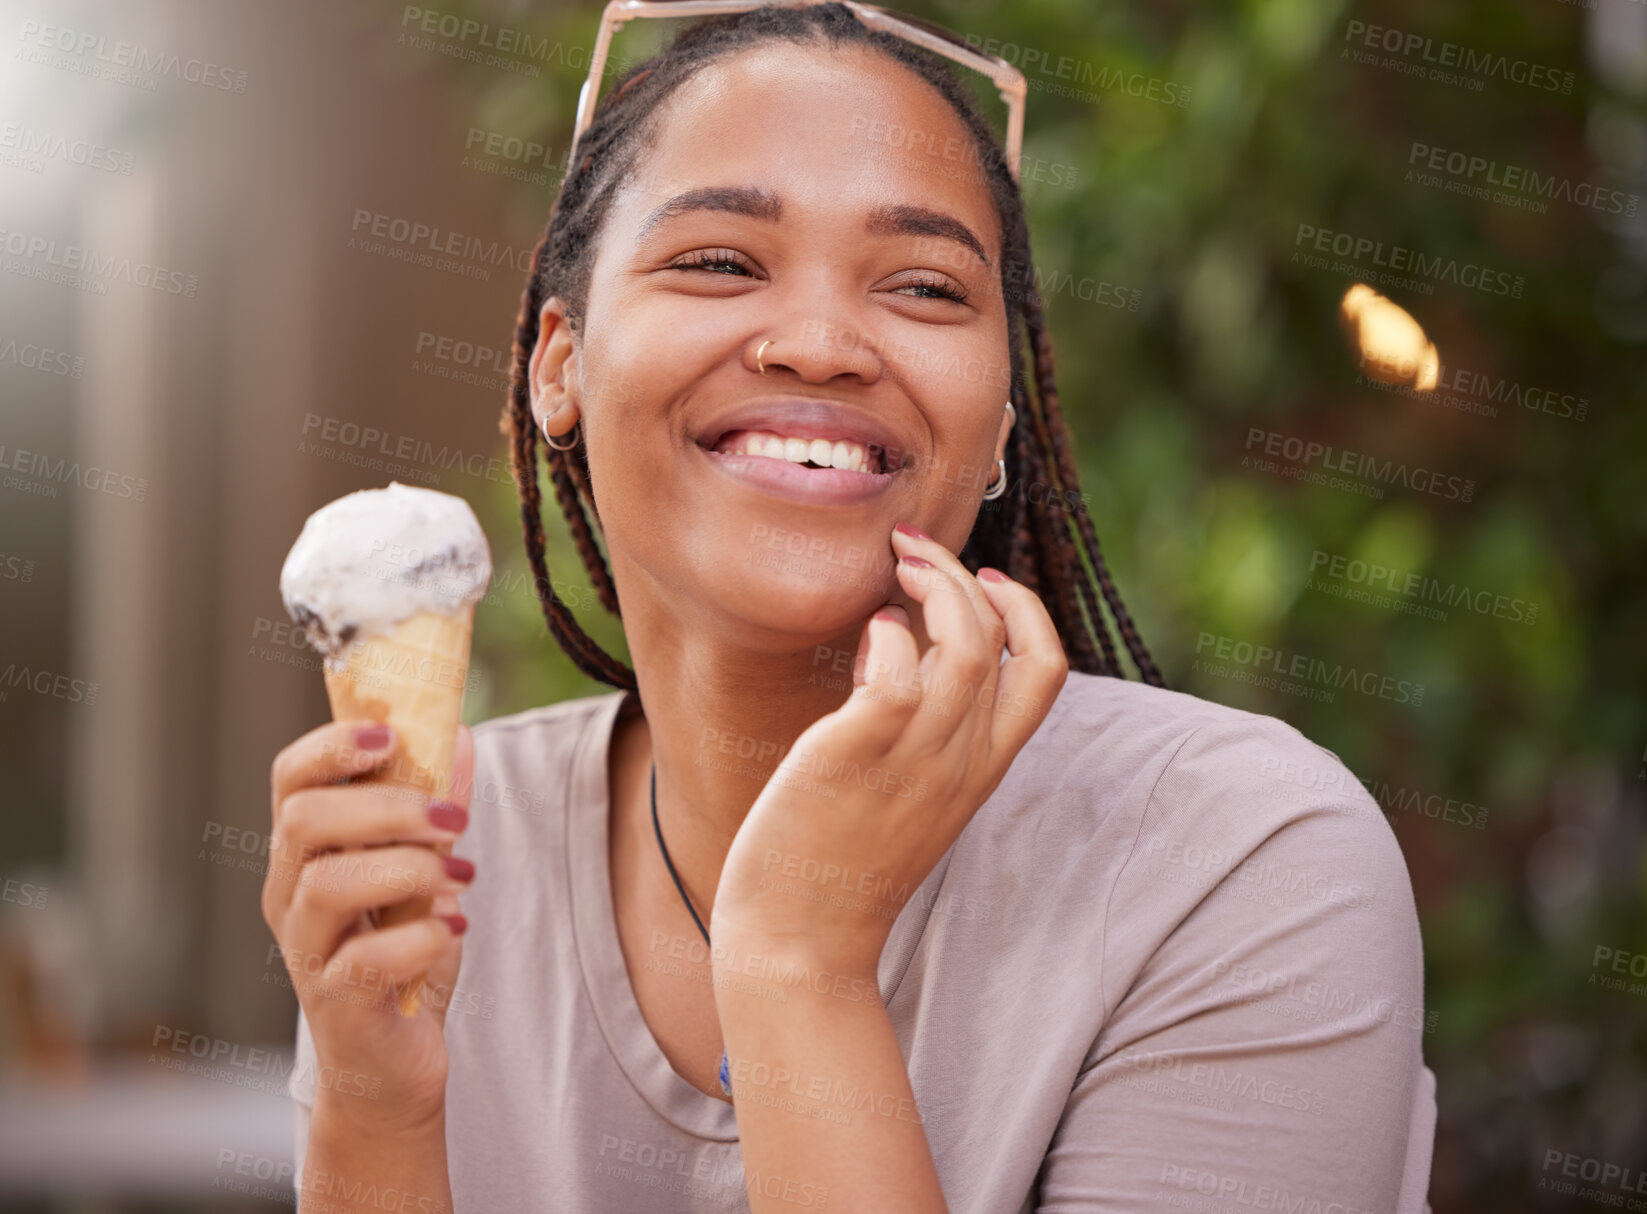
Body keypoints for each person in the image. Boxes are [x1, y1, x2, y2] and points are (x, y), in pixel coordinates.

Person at [266, 4, 1437, 1211]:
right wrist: (375, 1103)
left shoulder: (1242, 862)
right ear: (559, 362)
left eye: (925, 287)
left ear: (999, 421)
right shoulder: (444, 854)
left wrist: (796, 959)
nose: (821, 344)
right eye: (719, 260)